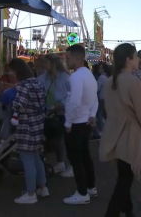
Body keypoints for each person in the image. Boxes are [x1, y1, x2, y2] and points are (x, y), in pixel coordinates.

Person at [99, 43, 141, 217]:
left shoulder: (111, 80)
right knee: (125, 179)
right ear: (128, 60)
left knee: (123, 174)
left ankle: (128, 210)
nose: (138, 60)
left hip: (112, 132)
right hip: (128, 134)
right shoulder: (133, 81)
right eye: (135, 56)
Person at [9, 58, 49, 204]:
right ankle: (43, 187)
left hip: (26, 126)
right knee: (36, 157)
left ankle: (31, 193)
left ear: (16, 71)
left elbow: (19, 105)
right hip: (38, 124)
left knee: (27, 159)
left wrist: (13, 103)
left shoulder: (23, 86)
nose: (10, 73)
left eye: (11, 71)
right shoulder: (37, 82)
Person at [63, 45, 98, 205]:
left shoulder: (76, 77)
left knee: (76, 159)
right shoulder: (89, 75)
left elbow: (74, 102)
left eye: (67, 58)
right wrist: (92, 115)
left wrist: (68, 122)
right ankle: (90, 187)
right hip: (85, 122)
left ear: (76, 58)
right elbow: (94, 99)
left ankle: (82, 192)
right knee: (85, 157)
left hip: (76, 124)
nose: (66, 60)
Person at [37, 54, 73, 177]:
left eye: (46, 63)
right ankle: (59, 162)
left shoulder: (65, 77)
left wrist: (61, 104)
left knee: (66, 140)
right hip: (49, 112)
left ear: (53, 64)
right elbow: (38, 88)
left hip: (63, 112)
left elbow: (71, 95)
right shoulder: (43, 77)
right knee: (54, 139)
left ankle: (70, 165)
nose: (44, 66)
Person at [93, 63, 108, 140]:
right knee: (105, 114)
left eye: (101, 68)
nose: (99, 69)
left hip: (101, 97)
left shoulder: (101, 78)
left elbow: (97, 88)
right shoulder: (107, 77)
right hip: (107, 97)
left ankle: (100, 128)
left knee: (99, 113)